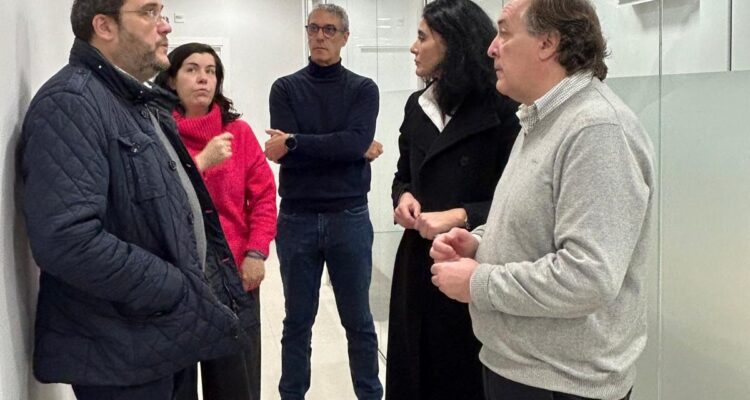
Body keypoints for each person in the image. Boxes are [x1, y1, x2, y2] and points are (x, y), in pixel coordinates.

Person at [19, 1, 257, 399]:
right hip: (121, 352)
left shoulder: (134, 103)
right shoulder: (71, 102)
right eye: (148, 12)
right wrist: (176, 288)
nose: (165, 26)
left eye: (161, 12)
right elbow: (67, 240)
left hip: (160, 334)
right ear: (104, 26)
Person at [429, 0, 655, 399]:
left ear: (547, 43)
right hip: (523, 368)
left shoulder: (596, 129)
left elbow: (588, 277)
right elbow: (537, 223)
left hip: (561, 382)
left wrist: (478, 283)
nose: (491, 48)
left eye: (504, 32)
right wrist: (479, 242)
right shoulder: (542, 119)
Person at [385, 1, 520, 399]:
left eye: (422, 37)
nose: (413, 47)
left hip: (473, 259)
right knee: (414, 373)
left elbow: (516, 198)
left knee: (459, 377)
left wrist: (461, 216)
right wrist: (404, 197)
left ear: (453, 43)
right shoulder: (418, 105)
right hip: (417, 261)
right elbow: (402, 175)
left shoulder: (503, 108)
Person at [264, 3, 383, 399]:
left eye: (329, 30)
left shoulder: (363, 89)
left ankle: (370, 394)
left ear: (345, 37)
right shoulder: (285, 88)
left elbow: (351, 142)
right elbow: (343, 146)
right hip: (296, 219)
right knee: (297, 322)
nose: (319, 36)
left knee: (358, 322)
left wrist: (295, 142)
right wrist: (346, 147)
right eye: (313, 28)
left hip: (349, 217)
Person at [155, 42, 277, 400]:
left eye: (211, 71)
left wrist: (256, 252)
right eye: (192, 69)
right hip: (178, 276)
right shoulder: (157, 131)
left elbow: (264, 197)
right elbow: (156, 198)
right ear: (172, 79)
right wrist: (201, 163)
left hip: (234, 274)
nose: (203, 79)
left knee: (235, 383)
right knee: (177, 385)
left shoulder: (239, 133)